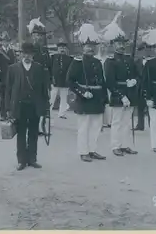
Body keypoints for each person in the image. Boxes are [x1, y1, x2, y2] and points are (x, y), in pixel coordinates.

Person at [5, 42, 49, 170]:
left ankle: (32, 159)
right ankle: (21, 161)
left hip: (35, 106)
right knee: (21, 133)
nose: (27, 56)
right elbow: (7, 90)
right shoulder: (13, 68)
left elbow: (43, 89)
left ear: (33, 55)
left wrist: (45, 107)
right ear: (20, 54)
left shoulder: (39, 68)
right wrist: (8, 108)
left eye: (29, 54)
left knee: (34, 133)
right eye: (24, 53)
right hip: (20, 106)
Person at [66, 26, 108, 162]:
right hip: (84, 99)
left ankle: (92, 150)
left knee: (96, 127)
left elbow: (102, 82)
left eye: (92, 46)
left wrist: (104, 99)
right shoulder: (77, 62)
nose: (90, 48)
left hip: (96, 99)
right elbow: (70, 81)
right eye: (88, 46)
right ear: (83, 47)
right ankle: (83, 151)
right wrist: (82, 92)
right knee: (84, 127)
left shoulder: (98, 62)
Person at [104, 34, 139, 156]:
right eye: (118, 44)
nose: (121, 46)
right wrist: (121, 96)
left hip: (130, 92)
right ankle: (115, 146)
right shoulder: (110, 61)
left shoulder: (129, 59)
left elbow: (137, 74)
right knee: (117, 121)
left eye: (123, 44)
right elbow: (109, 82)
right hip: (117, 93)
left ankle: (125, 145)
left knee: (127, 122)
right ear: (113, 45)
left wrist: (134, 80)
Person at [0, 34, 16, 121]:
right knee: (2, 97)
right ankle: (3, 114)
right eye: (4, 41)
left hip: (10, 77)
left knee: (10, 96)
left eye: (7, 41)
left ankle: (9, 113)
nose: (6, 43)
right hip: (1, 77)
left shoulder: (12, 52)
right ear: (1, 42)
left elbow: (14, 64)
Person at [50, 39, 73, 119]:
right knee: (52, 97)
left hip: (64, 81)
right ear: (58, 49)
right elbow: (50, 68)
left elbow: (71, 70)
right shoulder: (53, 57)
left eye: (63, 48)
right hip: (55, 80)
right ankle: (48, 112)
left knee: (64, 98)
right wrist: (50, 78)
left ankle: (62, 113)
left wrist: (69, 80)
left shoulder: (70, 59)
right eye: (60, 48)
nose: (62, 49)